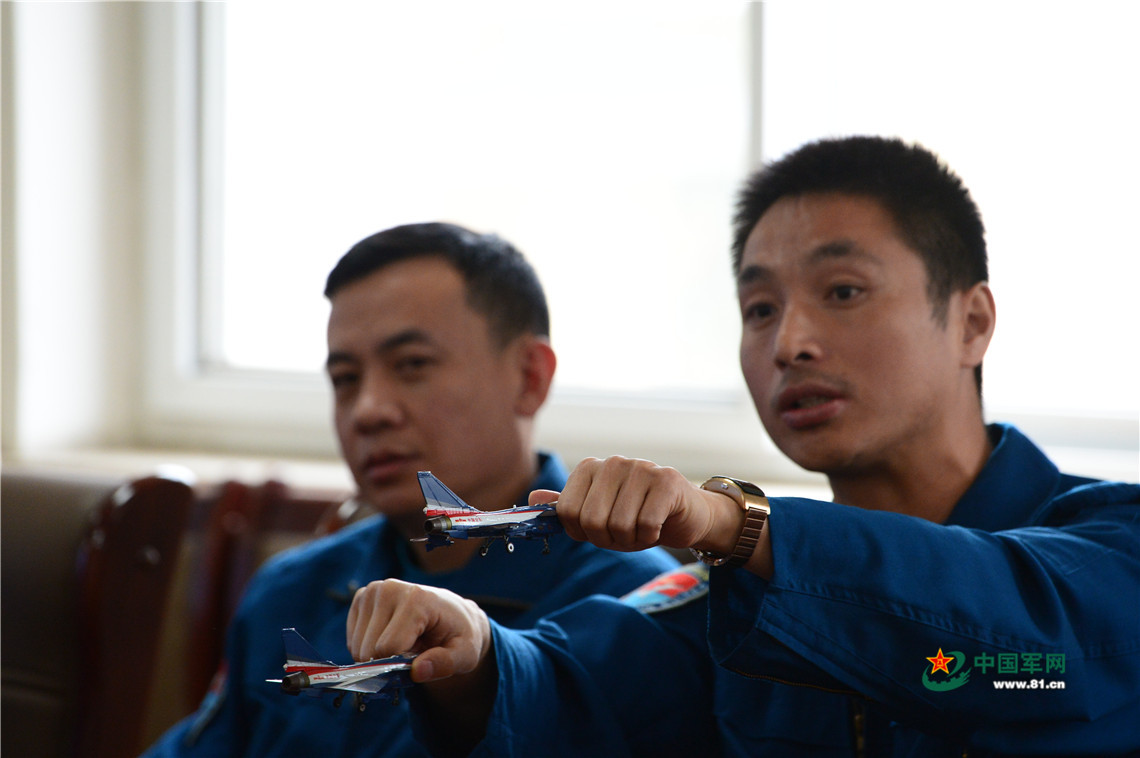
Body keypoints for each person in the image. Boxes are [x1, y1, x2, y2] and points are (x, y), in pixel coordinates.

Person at [346, 139, 1140, 756]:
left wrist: (736, 522)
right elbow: (577, 688)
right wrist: (476, 653)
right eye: (759, 309)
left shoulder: (1113, 548)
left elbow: (1030, 645)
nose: (789, 342)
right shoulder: (730, 604)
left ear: (971, 322)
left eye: (843, 291)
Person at [142, 222, 679, 757]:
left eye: (412, 365)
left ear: (528, 376)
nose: (368, 410)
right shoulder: (291, 591)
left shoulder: (635, 604)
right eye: (346, 378)